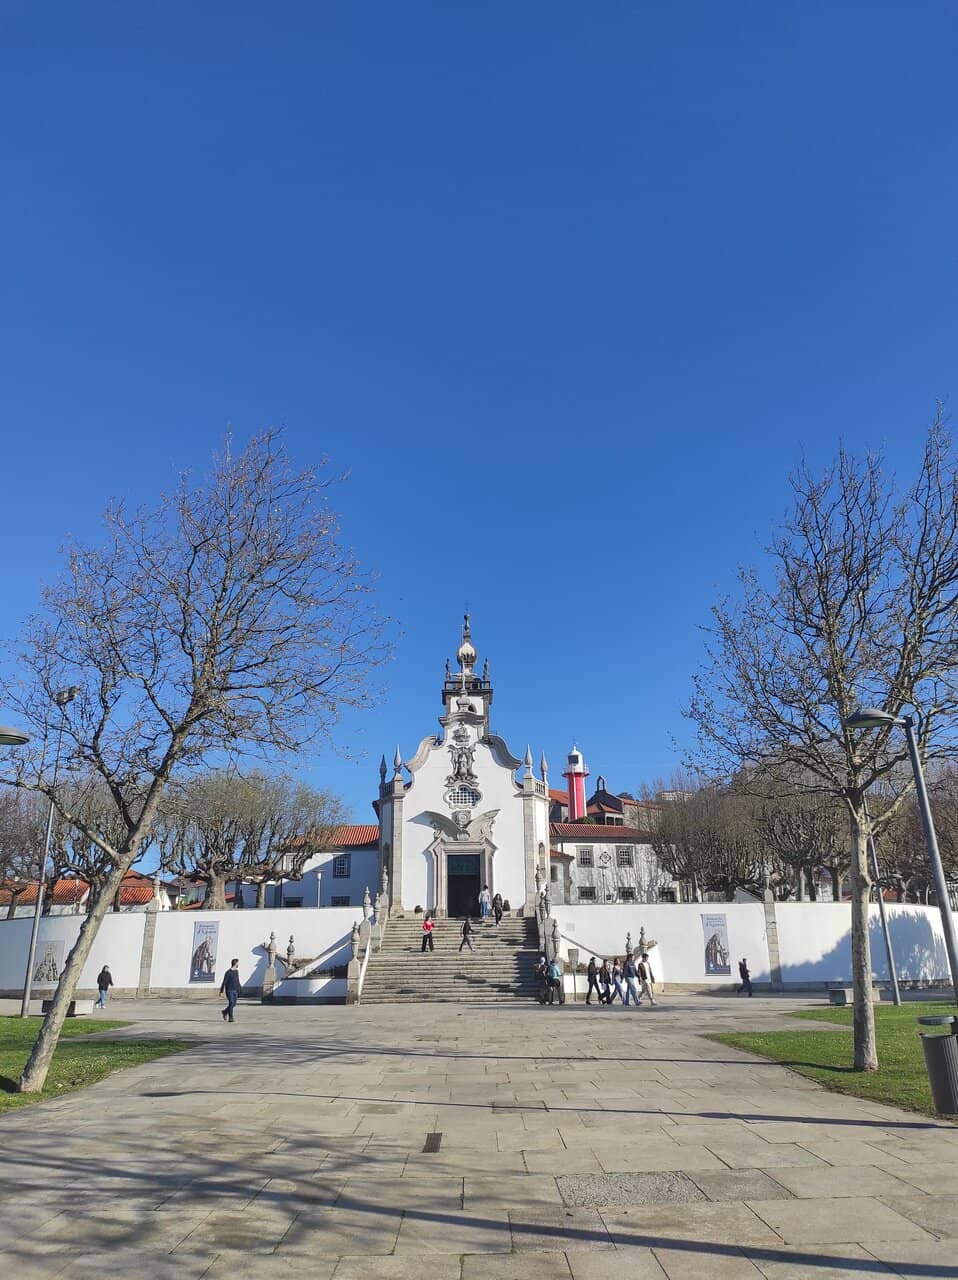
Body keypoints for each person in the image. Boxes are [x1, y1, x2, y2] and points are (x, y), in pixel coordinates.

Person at [219, 958, 242, 1023]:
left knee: (234, 1004)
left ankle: (225, 1011)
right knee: (231, 1003)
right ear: (235, 963)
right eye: (238, 963)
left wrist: (240, 988)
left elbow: (237, 981)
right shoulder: (228, 972)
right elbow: (224, 982)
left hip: (235, 990)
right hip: (229, 990)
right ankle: (231, 1017)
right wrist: (221, 991)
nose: (238, 964)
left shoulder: (236, 972)